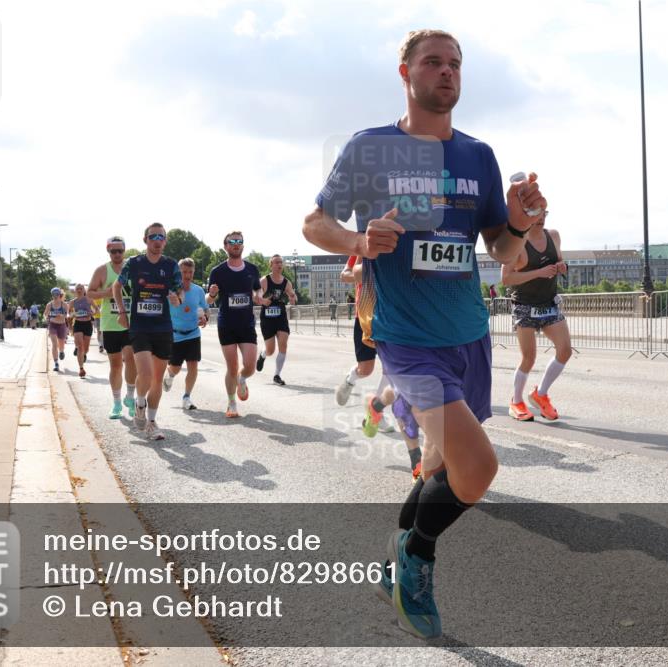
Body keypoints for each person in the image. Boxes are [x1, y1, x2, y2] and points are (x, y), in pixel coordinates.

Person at [303, 28, 545, 639]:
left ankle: (396, 552)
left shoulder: (478, 156)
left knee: (443, 465)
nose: (447, 72)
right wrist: (358, 241)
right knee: (479, 467)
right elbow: (314, 223)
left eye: (455, 64)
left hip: (467, 332)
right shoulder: (370, 148)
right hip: (404, 336)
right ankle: (416, 560)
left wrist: (516, 220)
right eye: (433, 62)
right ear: (405, 72)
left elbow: (502, 250)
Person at [113, 222, 183, 440]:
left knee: (157, 378)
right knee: (146, 373)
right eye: (153, 237)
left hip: (162, 327)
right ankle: (140, 402)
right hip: (140, 326)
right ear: (145, 240)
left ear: (165, 241)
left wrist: (176, 298)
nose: (157, 241)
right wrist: (123, 312)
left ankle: (151, 422)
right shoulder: (133, 263)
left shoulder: (171, 265)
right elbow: (117, 286)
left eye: (161, 237)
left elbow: (178, 290)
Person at [500, 213, 570, 422]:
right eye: (535, 214)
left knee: (565, 350)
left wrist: (561, 267)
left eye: (544, 213)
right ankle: (516, 401)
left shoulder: (554, 236)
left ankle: (540, 394)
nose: (540, 218)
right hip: (524, 306)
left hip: (549, 303)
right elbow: (506, 278)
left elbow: (559, 261)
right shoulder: (517, 242)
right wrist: (538, 272)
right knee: (529, 358)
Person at [206, 231, 266, 418]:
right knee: (231, 367)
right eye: (232, 242)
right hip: (227, 324)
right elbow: (208, 300)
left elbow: (257, 290)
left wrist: (259, 298)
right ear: (225, 246)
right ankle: (232, 403)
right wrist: (213, 294)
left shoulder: (252, 269)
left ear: (243, 245)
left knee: (249, 366)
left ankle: (242, 379)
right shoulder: (217, 271)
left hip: (246, 323)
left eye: (239, 241)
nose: (236, 244)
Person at [336, 255, 395, 433]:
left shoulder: (401, 244)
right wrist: (367, 271)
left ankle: (376, 410)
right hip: (365, 316)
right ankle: (350, 379)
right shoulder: (362, 247)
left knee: (392, 368)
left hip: (391, 316)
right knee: (366, 369)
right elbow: (344, 275)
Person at [87, 236, 138, 419]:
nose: (117, 254)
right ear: (108, 251)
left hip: (131, 322)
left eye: (120, 251)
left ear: (124, 250)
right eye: (113, 251)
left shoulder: (132, 268)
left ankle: (130, 398)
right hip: (110, 323)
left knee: (131, 359)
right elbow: (90, 293)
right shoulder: (102, 270)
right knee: (116, 365)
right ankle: (116, 403)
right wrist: (107, 293)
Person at [163, 258, 208, 410]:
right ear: (178, 273)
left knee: (193, 366)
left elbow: (205, 309)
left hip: (193, 334)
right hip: (175, 335)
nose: (187, 275)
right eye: (184, 272)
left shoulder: (198, 291)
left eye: (190, 272)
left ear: (193, 272)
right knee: (175, 368)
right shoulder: (171, 290)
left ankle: (186, 397)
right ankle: (169, 375)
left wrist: (204, 318)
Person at [255, 254, 297, 386]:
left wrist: (292, 298)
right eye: (276, 262)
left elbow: (293, 297)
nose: (279, 265)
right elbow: (255, 297)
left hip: (280, 316)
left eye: (281, 262)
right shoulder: (264, 281)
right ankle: (263, 354)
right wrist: (262, 300)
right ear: (271, 265)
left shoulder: (286, 282)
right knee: (271, 350)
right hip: (267, 318)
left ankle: (277, 375)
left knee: (283, 344)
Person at [69, 285, 94, 378]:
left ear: (84, 290)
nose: (79, 290)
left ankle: (83, 354)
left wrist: (92, 313)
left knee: (86, 349)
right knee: (80, 346)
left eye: (81, 289)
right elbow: (68, 313)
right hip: (78, 324)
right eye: (77, 289)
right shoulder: (72, 302)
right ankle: (81, 368)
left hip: (87, 324)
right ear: (75, 291)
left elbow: (97, 310)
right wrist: (72, 314)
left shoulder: (89, 300)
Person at [44, 287, 69, 372]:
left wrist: (62, 316)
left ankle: (61, 351)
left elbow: (67, 315)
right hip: (53, 325)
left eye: (57, 294)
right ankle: (56, 363)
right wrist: (46, 317)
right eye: (53, 294)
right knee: (54, 344)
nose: (55, 296)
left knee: (61, 344)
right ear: (52, 295)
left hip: (62, 325)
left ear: (60, 295)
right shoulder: (49, 305)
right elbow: (45, 314)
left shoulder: (64, 304)